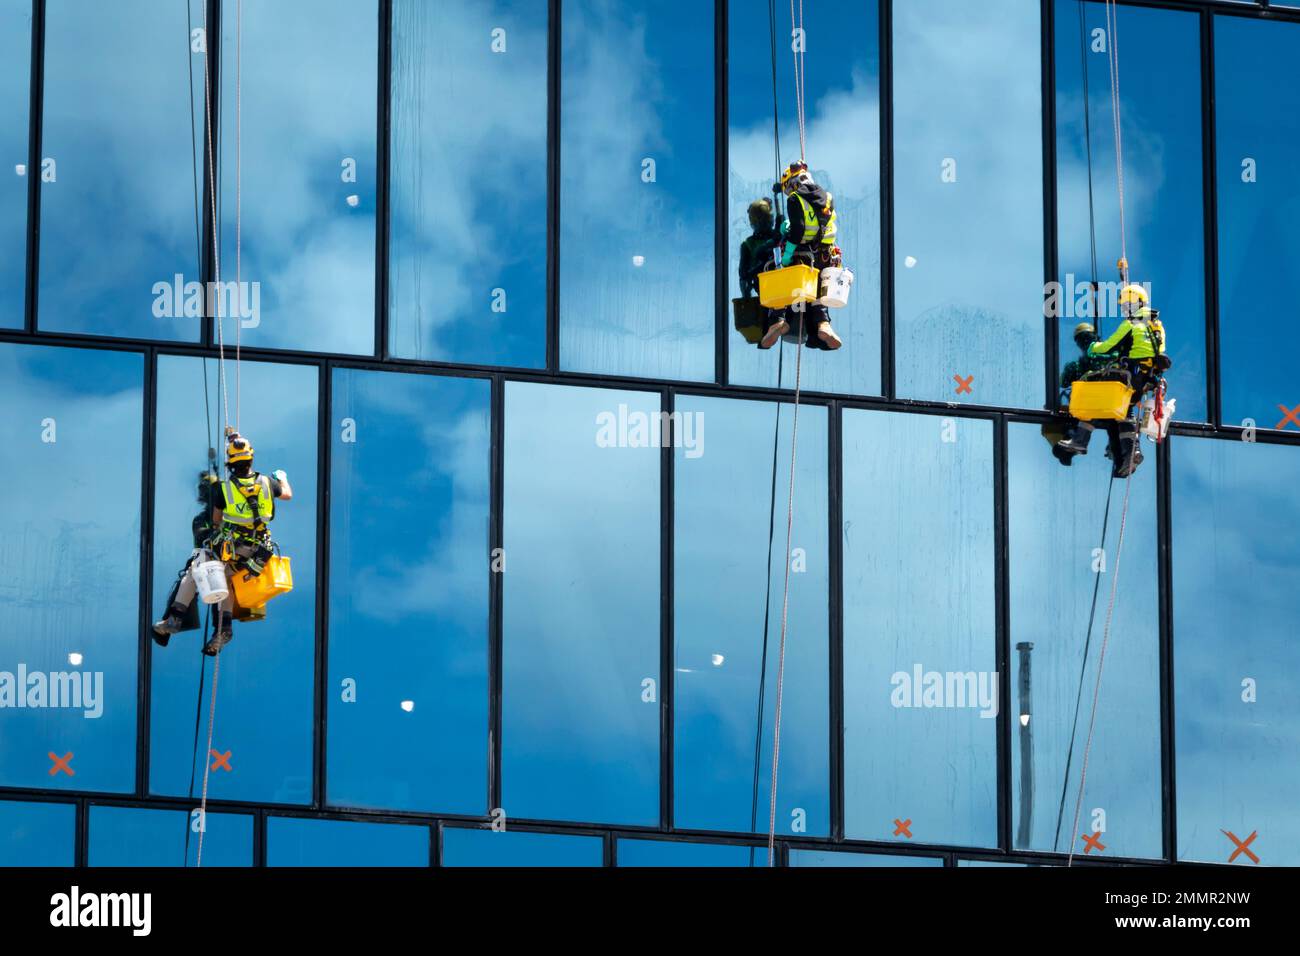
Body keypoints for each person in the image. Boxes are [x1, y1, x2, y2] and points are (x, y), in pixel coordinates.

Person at [154, 431, 292, 655]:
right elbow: (287, 494)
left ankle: (175, 619)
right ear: (251, 460)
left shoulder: (223, 490)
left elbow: (217, 520)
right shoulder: (268, 483)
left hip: (233, 548)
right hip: (257, 552)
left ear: (229, 464)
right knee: (224, 579)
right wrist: (281, 476)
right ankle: (224, 630)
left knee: (197, 569)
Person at [1055, 285, 1170, 477]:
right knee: (1125, 411)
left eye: (1126, 305)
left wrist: (1093, 347)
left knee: (1094, 394)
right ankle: (1132, 452)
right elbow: (1157, 352)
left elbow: (1109, 346)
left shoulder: (1131, 324)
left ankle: (1080, 440)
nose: (1124, 310)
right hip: (1146, 379)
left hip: (1130, 375)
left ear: (1135, 303)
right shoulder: (1156, 325)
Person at [759, 161, 842, 351]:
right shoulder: (827, 197)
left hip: (802, 255)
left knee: (779, 275)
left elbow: (799, 231)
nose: (788, 193)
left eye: (788, 189)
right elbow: (815, 221)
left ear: (793, 184)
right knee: (817, 293)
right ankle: (823, 324)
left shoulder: (795, 198)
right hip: (824, 256)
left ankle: (778, 319)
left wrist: (787, 253)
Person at [151, 471, 221, 647]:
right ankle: (174, 619)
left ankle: (219, 629)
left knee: (210, 582)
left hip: (222, 562)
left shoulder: (225, 516)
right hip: (211, 562)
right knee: (195, 577)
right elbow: (202, 538)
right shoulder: (202, 519)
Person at [738, 198, 781, 298]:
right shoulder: (748, 244)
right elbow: (744, 277)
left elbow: (744, 278)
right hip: (767, 293)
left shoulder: (778, 236)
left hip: (780, 290)